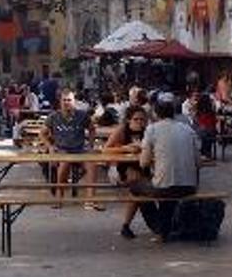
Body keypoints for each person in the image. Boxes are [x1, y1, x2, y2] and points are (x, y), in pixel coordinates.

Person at [130, 93, 200, 242]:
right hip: (190, 186)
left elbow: (143, 163)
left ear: (155, 113)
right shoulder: (188, 129)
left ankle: (159, 228)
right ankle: (164, 230)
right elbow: (198, 162)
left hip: (165, 186)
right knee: (167, 185)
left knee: (136, 187)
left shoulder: (152, 129)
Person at [40, 89, 103, 210]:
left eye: (69, 100)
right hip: (62, 149)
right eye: (64, 100)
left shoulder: (82, 115)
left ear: (74, 102)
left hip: (80, 149)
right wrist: (50, 147)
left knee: (92, 165)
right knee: (64, 163)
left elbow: (92, 129)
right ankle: (59, 198)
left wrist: (90, 145)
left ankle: (90, 200)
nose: (66, 102)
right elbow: (42, 134)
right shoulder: (53, 116)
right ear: (60, 101)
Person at [103, 105, 148, 239]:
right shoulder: (122, 130)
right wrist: (126, 148)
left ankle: (128, 225)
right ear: (129, 120)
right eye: (136, 119)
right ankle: (126, 225)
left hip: (144, 165)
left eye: (142, 119)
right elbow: (106, 150)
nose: (139, 122)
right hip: (124, 166)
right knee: (136, 188)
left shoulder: (148, 131)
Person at [195, 93, 217, 158]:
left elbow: (196, 121)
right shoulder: (211, 111)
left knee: (204, 133)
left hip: (202, 130)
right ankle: (207, 152)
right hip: (210, 130)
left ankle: (204, 151)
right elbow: (214, 121)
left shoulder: (199, 111)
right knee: (208, 133)